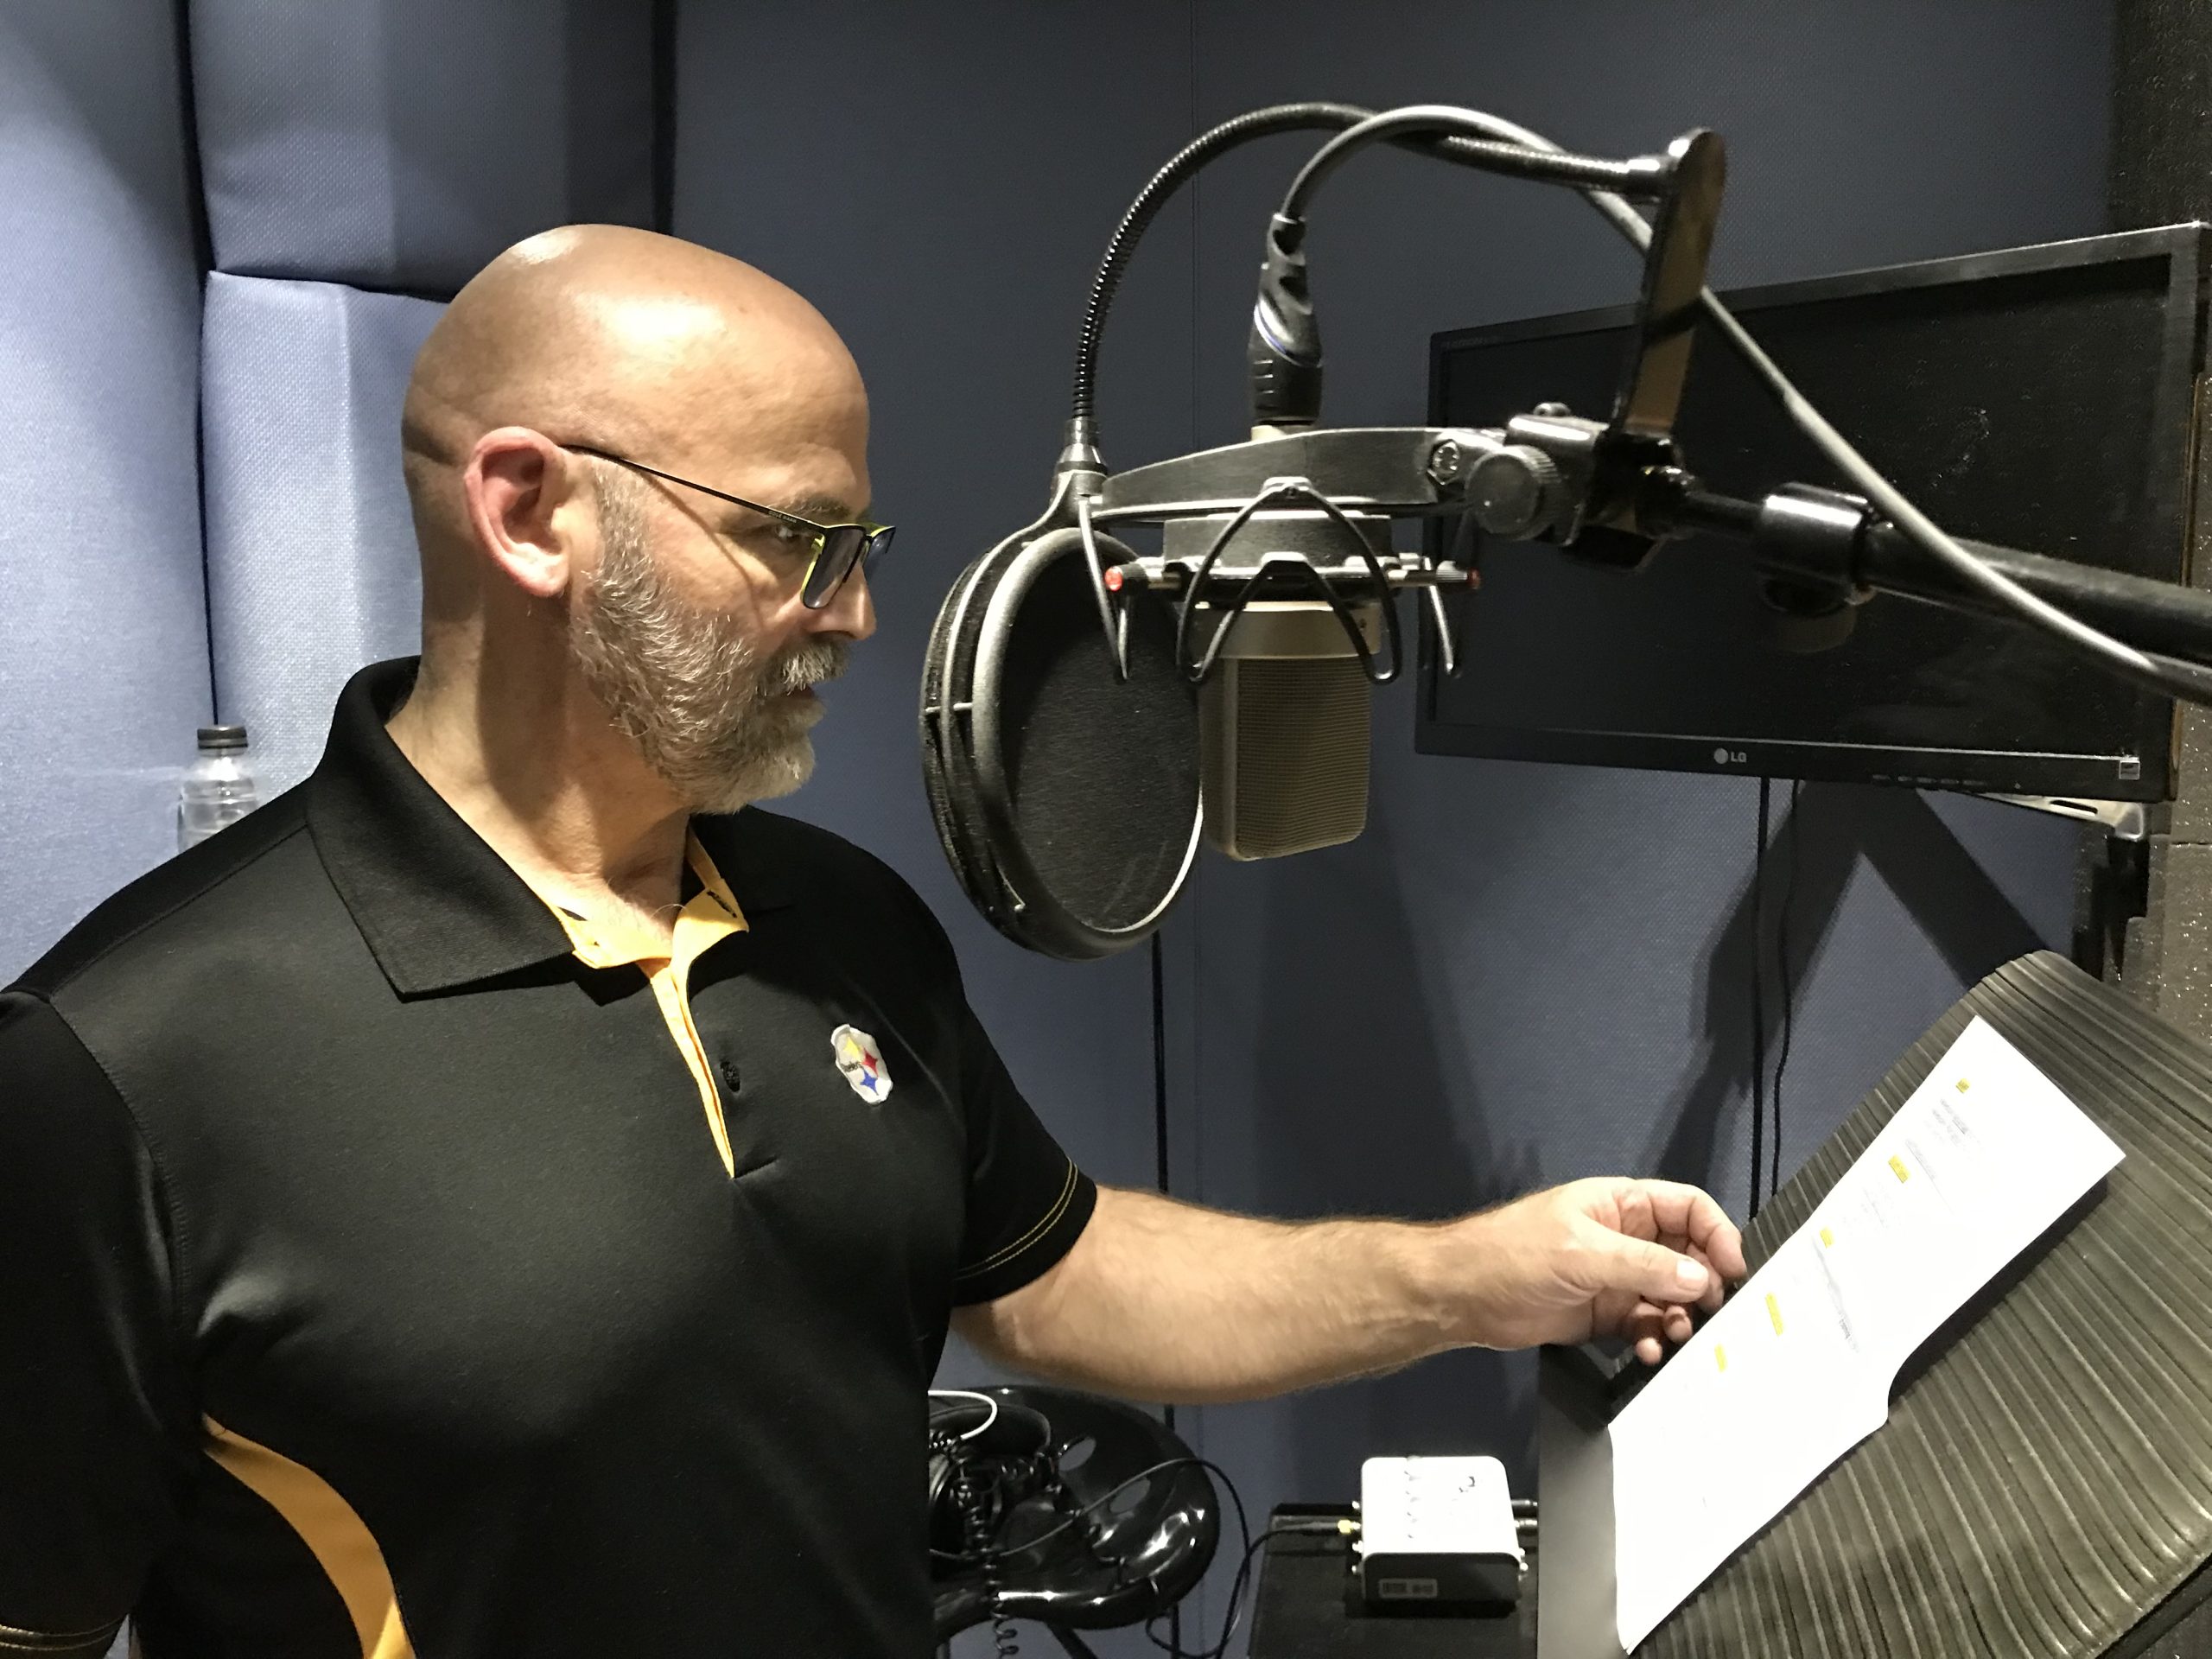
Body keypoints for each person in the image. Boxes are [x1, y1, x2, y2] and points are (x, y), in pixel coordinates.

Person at [0, 226, 1745, 1659]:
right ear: (529, 511)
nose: (853, 612)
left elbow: (1051, 1275)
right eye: (795, 540)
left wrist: (1472, 1278)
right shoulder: (121, 1071)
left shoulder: (837, 917)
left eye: (861, 544)